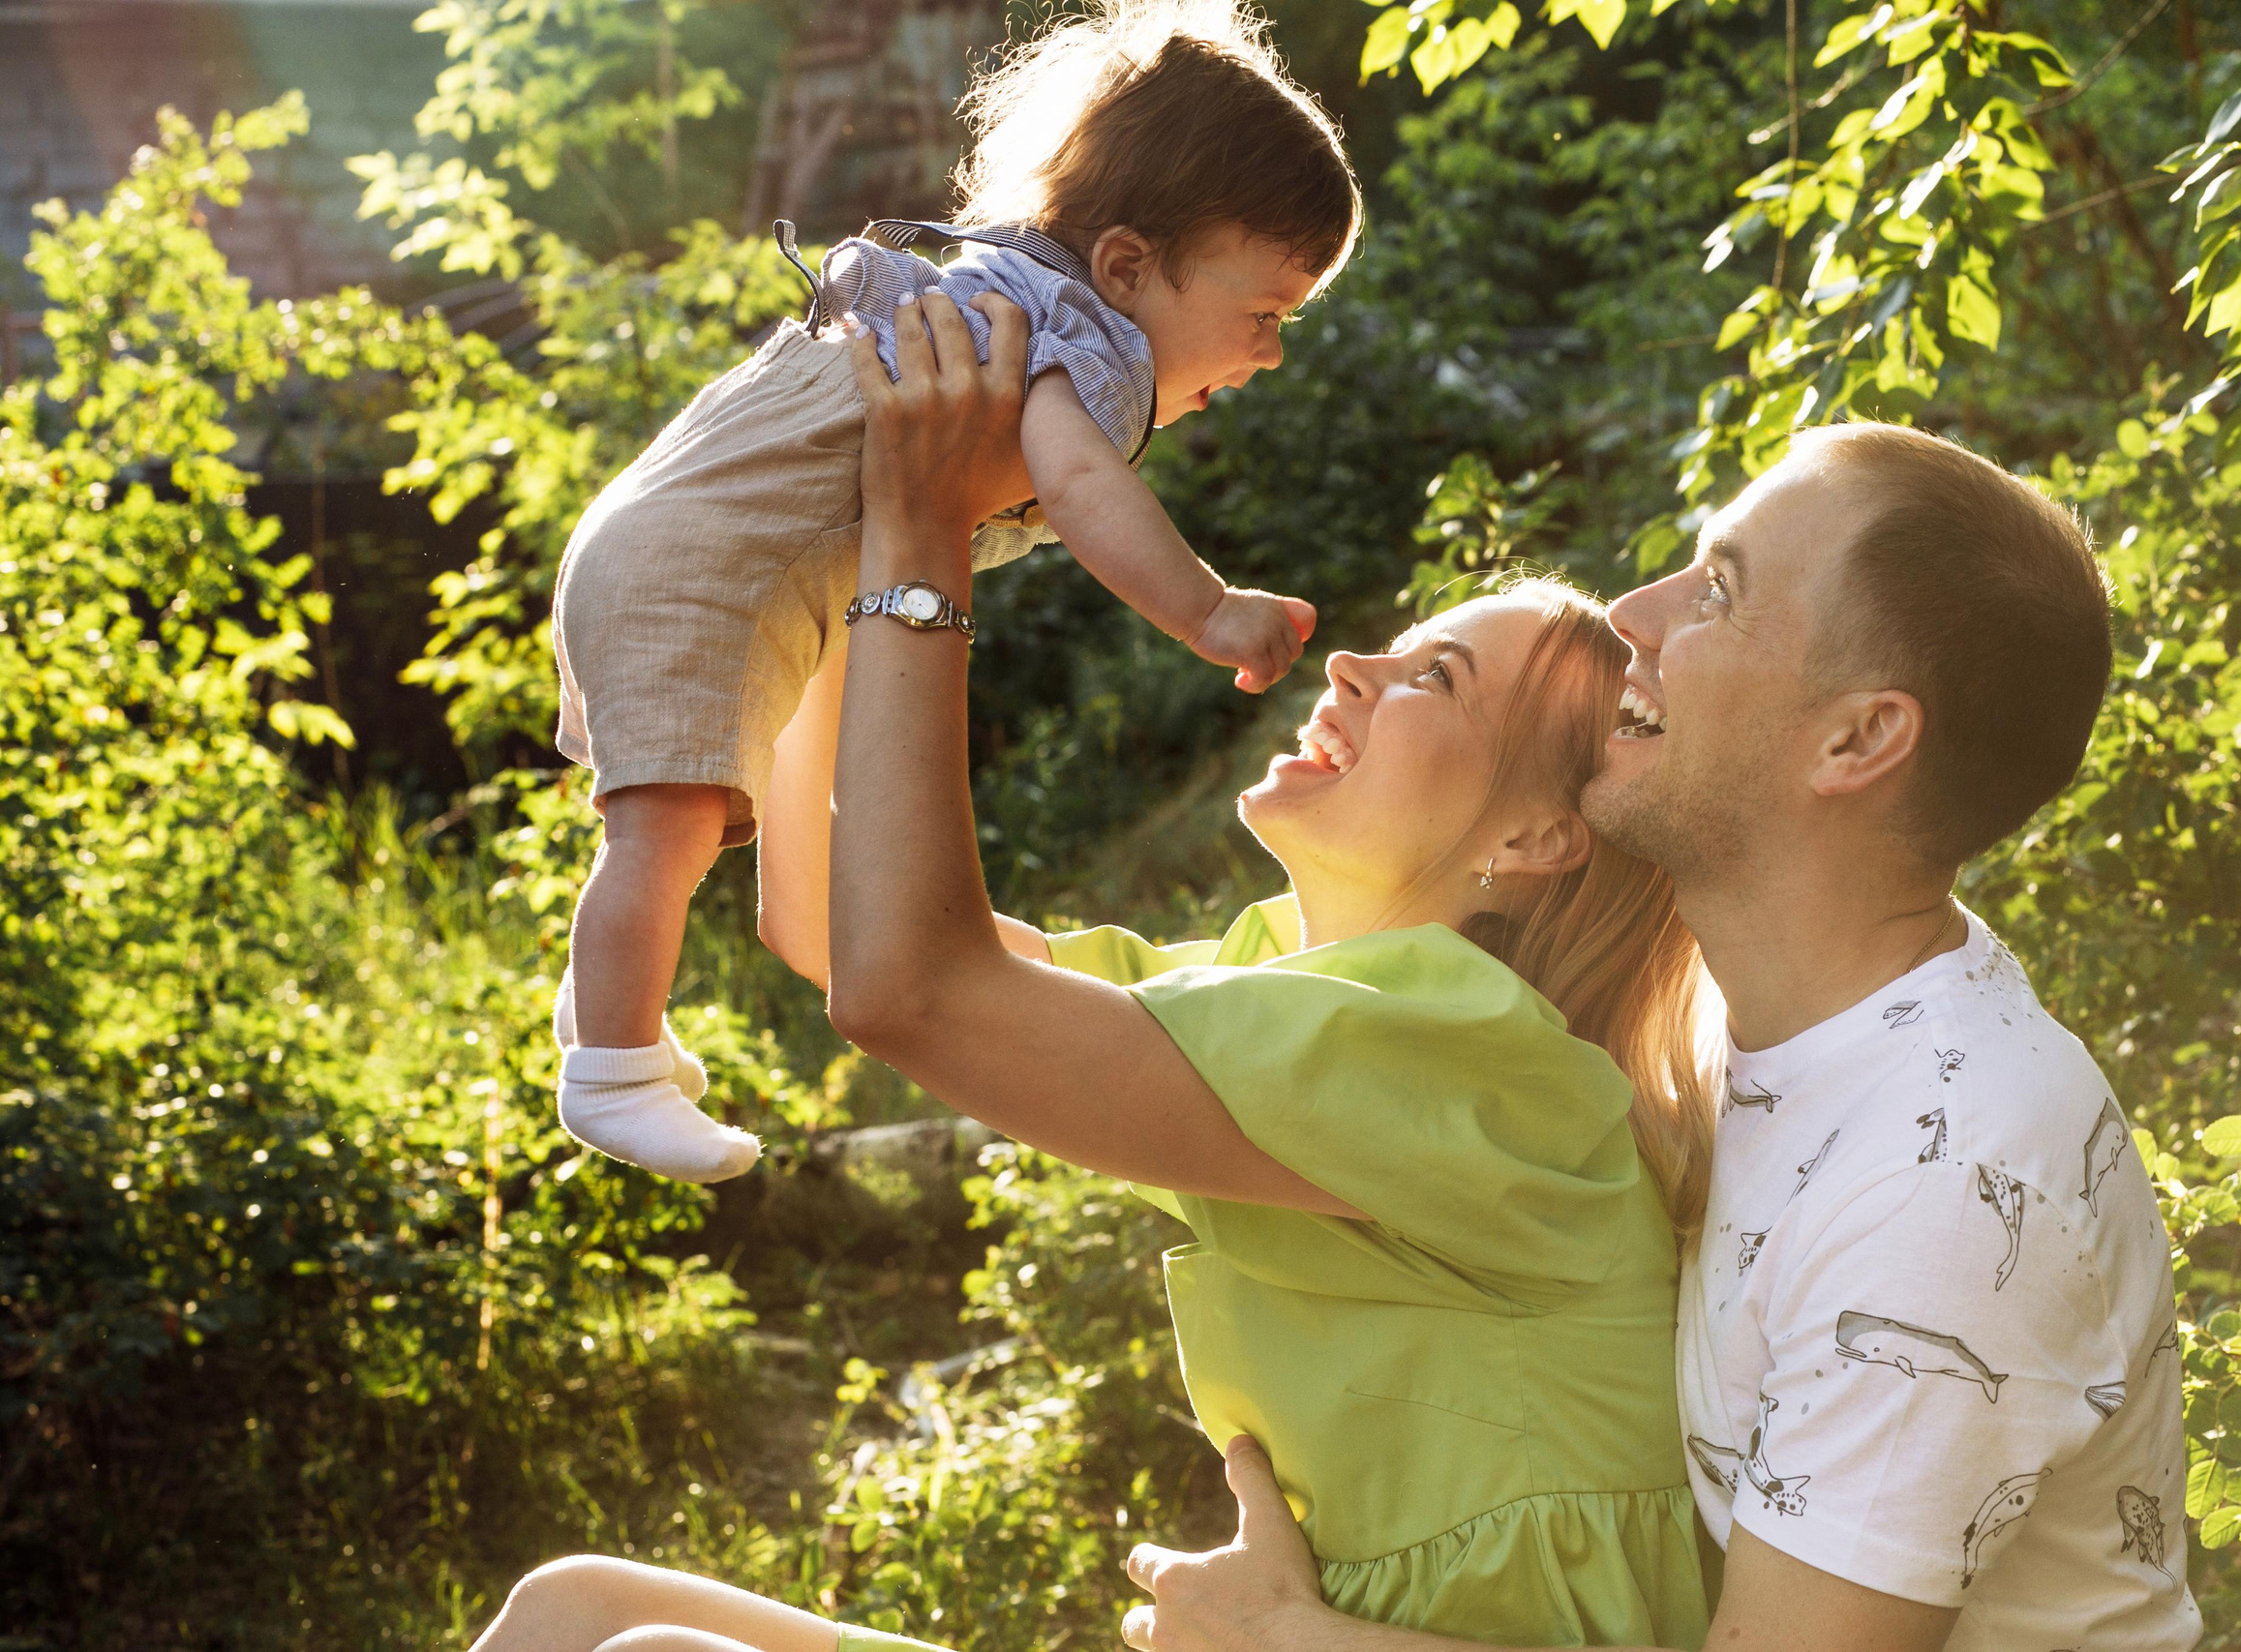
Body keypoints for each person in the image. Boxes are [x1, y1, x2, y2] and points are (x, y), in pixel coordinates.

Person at [466, 285, 1726, 1652]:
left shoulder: (1465, 1047)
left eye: (1436, 679)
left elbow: (910, 987)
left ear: (1539, 835)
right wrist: (825, 533)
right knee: (572, 1604)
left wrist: (922, 533)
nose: (1354, 663)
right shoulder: (1286, 979)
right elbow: (834, 930)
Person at [1118, 426, 2202, 1651]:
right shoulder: (1781, 1035)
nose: (1634, 609)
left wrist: (1279, 1640)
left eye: (1718, 591)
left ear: (1855, 741)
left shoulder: (1943, 1190)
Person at [544, 0, 1356, 1185]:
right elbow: (1083, 492)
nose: (1270, 354)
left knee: (662, 833)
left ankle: (605, 1027)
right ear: (1127, 265)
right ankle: (610, 1073)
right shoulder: (1058, 340)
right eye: (1264, 315)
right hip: (702, 566)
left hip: (681, 539)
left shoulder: (1004, 295)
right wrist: (1210, 610)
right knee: (660, 831)